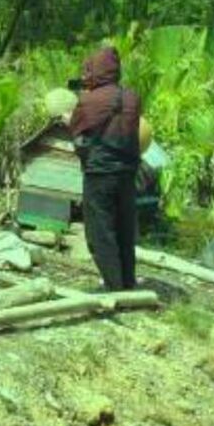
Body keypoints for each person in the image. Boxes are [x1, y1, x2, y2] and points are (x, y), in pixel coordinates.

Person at [65, 46, 142, 291]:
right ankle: (128, 282)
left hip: (100, 174)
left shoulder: (88, 101)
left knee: (100, 233)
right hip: (128, 173)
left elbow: (77, 133)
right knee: (124, 230)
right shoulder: (132, 97)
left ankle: (114, 287)